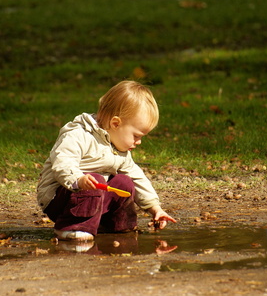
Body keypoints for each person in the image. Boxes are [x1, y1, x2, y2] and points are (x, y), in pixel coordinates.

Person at [37, 80, 176, 242]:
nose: (139, 142)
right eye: (136, 136)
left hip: (94, 199)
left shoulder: (118, 148)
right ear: (115, 123)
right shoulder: (78, 135)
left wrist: (155, 209)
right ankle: (72, 227)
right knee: (95, 180)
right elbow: (62, 163)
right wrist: (78, 180)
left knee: (124, 182)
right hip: (60, 197)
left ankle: (116, 225)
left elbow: (137, 177)